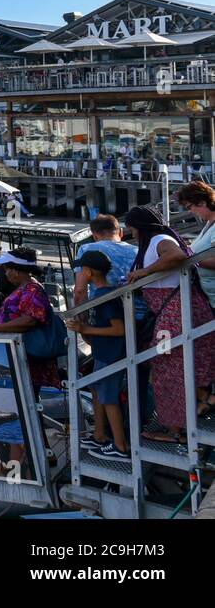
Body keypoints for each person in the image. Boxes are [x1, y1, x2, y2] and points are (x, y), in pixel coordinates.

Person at [120, 206, 215, 438]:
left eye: (131, 226)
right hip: (178, 310)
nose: (130, 231)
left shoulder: (160, 239)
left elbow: (177, 256)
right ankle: (196, 409)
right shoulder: (158, 239)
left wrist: (145, 272)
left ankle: (175, 431)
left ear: (140, 225)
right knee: (177, 367)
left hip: (174, 313)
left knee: (166, 370)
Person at [64, 250, 130, 462]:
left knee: (109, 398)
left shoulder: (106, 298)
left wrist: (86, 328)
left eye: (82, 270)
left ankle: (120, 446)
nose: (80, 274)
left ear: (89, 272)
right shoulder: (99, 294)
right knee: (96, 389)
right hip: (102, 353)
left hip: (111, 355)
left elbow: (119, 329)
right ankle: (100, 435)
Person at [0, 246, 61, 389]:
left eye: (7, 270)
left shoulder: (32, 290)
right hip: (22, 353)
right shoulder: (24, 288)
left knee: (29, 394)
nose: (6, 274)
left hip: (29, 356)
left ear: (17, 270)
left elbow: (30, 320)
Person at [72, 214, 142, 314]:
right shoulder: (137, 251)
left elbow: (80, 289)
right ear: (121, 232)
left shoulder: (86, 249)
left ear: (94, 235)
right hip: (136, 312)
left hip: (103, 312)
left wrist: (82, 320)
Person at [176, 181, 215, 306]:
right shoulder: (209, 224)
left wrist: (188, 258)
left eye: (189, 206)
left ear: (202, 202)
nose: (190, 211)